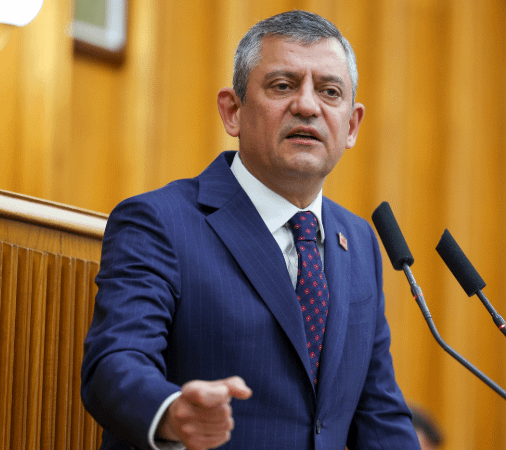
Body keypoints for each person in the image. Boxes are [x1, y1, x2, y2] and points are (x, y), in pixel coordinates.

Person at [81, 10, 421, 450]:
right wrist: (172, 412)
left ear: (352, 125)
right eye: (282, 85)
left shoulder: (358, 241)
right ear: (233, 111)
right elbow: (113, 364)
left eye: (329, 91)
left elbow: (379, 415)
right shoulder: (159, 221)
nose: (307, 106)